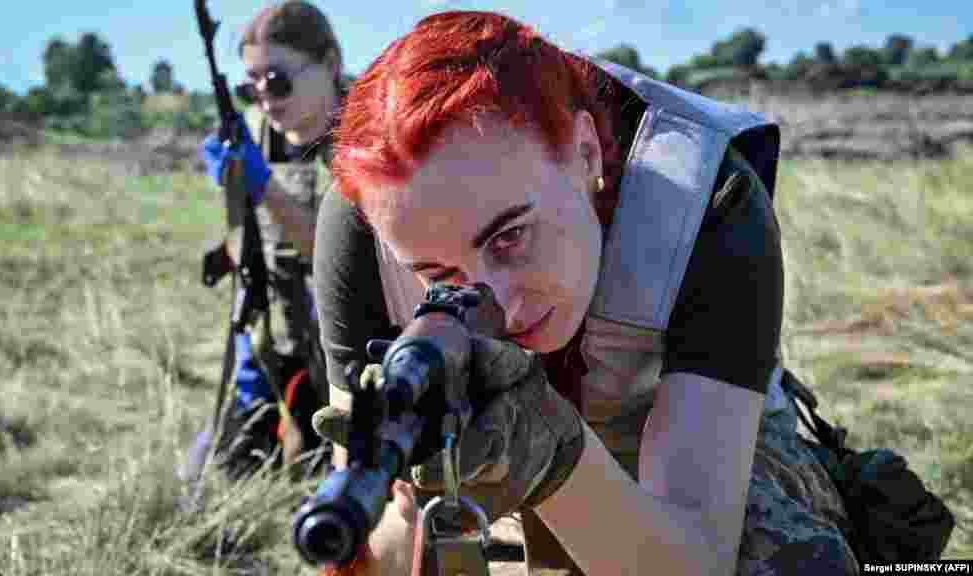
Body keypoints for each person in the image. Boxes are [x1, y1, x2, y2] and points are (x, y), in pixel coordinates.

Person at [309, 10, 860, 576]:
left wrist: (552, 460)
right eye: (436, 273)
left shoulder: (704, 202)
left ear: (587, 153)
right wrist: (407, 488)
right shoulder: (366, 226)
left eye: (510, 237)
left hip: (679, 451)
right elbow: (367, 560)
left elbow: (698, 556)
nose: (501, 300)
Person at [188, 0, 347, 483]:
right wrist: (239, 200)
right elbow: (259, 240)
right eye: (250, 86)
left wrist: (265, 188)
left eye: (278, 81)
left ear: (330, 66)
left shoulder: (367, 140)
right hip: (280, 329)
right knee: (211, 473)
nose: (264, 98)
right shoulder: (266, 130)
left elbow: (335, 256)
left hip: (352, 344)